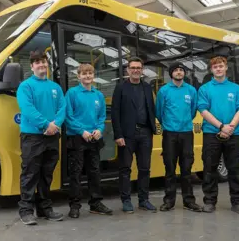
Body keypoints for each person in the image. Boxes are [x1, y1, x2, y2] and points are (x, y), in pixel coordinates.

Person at [16, 50, 66, 225]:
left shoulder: (56, 87)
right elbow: (27, 109)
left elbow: (62, 108)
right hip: (33, 137)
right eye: (37, 62)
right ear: (32, 66)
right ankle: (26, 211)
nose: (41, 65)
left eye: (44, 62)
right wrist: (47, 125)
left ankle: (45, 209)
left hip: (52, 136)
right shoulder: (25, 86)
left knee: (47, 175)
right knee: (30, 174)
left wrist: (55, 125)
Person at [197, 56, 239, 215]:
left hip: (233, 134)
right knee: (209, 169)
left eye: (221, 66)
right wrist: (221, 126)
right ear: (211, 70)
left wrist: (230, 126)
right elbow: (203, 110)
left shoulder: (236, 89)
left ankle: (238, 203)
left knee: (234, 169)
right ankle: (210, 201)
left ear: (226, 68)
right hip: (211, 134)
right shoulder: (205, 89)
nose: (218, 69)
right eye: (215, 67)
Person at [65, 63, 113, 219]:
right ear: (78, 76)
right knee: (76, 173)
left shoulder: (98, 95)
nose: (87, 76)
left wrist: (99, 129)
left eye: (90, 73)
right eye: (84, 73)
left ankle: (95, 203)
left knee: (95, 172)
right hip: (77, 138)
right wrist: (81, 131)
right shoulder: (72, 93)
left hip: (93, 138)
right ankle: (74, 206)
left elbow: (101, 116)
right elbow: (68, 116)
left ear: (94, 76)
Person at [111, 57, 157, 213]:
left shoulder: (147, 87)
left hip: (145, 132)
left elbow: (151, 109)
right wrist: (118, 135)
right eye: (133, 68)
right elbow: (115, 113)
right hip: (127, 134)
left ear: (142, 70)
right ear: (128, 70)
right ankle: (126, 200)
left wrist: (153, 129)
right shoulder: (120, 88)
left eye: (139, 67)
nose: (136, 70)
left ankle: (144, 200)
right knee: (125, 168)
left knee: (145, 168)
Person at [155, 62, 202, 212]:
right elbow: (159, 112)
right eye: (176, 70)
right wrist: (170, 124)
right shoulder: (164, 91)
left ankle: (189, 201)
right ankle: (169, 201)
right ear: (171, 73)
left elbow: (193, 111)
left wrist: (183, 123)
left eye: (181, 70)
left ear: (184, 73)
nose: (179, 72)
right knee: (170, 169)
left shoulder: (191, 90)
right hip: (169, 134)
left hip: (187, 133)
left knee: (187, 169)